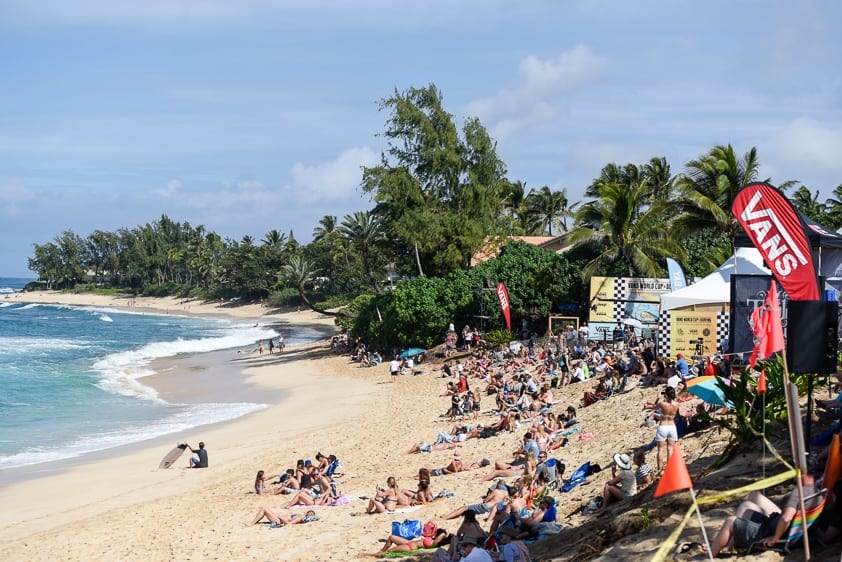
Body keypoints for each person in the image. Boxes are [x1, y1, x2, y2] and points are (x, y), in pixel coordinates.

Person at [707, 474, 821, 556]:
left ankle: (709, 556)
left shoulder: (799, 493)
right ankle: (729, 543)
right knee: (746, 508)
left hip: (773, 535)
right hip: (781, 529)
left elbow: (786, 519)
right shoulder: (819, 492)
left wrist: (774, 538)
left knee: (730, 521)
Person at [644, 386, 679, 472]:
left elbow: (655, 407)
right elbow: (676, 417)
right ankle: (670, 468)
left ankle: (660, 470)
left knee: (660, 450)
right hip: (672, 426)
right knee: (670, 448)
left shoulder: (663, 404)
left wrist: (657, 398)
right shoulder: (676, 404)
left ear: (666, 395)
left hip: (663, 426)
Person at [245, 507, 319, 527]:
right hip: (279, 518)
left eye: (308, 511)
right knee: (264, 508)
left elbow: (289, 524)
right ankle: (253, 522)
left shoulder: (300, 518)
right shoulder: (300, 515)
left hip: (279, 521)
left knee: (264, 509)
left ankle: (252, 523)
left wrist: (281, 517)